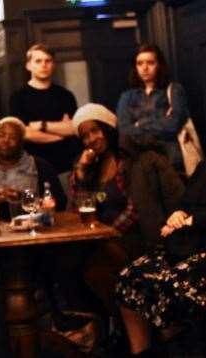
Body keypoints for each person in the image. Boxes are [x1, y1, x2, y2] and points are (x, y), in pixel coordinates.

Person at [68, 103, 184, 318]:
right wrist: (81, 173)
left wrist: (107, 233)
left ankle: (125, 324)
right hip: (107, 238)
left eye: (95, 130)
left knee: (95, 267)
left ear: (108, 127)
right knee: (73, 262)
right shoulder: (94, 165)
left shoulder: (137, 159)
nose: (91, 139)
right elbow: (78, 210)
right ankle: (121, 324)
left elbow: (135, 209)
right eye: (85, 136)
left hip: (144, 236)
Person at [116, 161, 206, 357]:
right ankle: (141, 352)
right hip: (190, 243)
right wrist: (178, 214)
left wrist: (192, 221)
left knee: (168, 284)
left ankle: (174, 346)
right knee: (131, 276)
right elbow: (187, 201)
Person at [10, 43, 81, 180]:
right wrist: (60, 134)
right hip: (32, 168)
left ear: (53, 65)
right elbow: (26, 133)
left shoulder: (65, 95)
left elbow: (73, 128)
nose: (43, 65)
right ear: (28, 65)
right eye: (38, 61)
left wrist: (42, 126)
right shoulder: (18, 97)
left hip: (65, 166)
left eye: (47, 61)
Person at [116, 43, 189, 172]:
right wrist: (159, 123)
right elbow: (124, 130)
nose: (144, 68)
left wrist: (141, 124)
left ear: (159, 65)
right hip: (138, 162)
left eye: (150, 62)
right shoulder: (127, 97)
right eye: (140, 63)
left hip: (171, 161)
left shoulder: (173, 90)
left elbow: (173, 124)